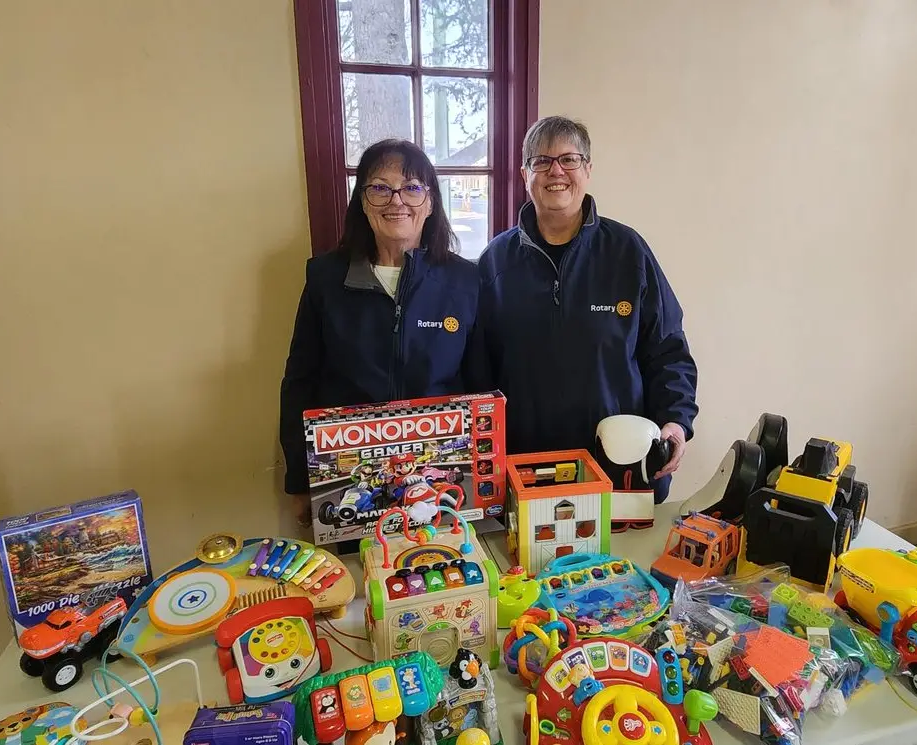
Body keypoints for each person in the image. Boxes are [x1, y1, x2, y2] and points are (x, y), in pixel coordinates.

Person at [473, 116, 698, 514]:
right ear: (525, 175)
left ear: (588, 169)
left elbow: (667, 350)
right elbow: (479, 372)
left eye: (569, 159)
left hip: (620, 467)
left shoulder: (628, 252)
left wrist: (675, 421)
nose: (556, 171)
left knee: (626, 554)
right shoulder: (496, 262)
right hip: (528, 469)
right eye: (541, 161)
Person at [280, 139, 480, 526]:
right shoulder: (326, 278)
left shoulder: (465, 280)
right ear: (362, 201)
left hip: (438, 480)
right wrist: (299, 481)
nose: (396, 200)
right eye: (380, 187)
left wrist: (485, 471)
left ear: (431, 202)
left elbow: (480, 383)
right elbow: (299, 382)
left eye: (412, 187)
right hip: (349, 477)